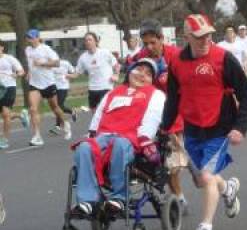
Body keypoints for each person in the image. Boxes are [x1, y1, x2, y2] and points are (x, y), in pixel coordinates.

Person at [162, 14, 247, 230]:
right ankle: (228, 189)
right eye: (200, 36)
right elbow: (173, 98)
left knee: (204, 176)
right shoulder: (176, 63)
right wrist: (164, 127)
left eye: (209, 35)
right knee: (204, 179)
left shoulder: (223, 58)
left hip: (221, 127)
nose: (206, 40)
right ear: (187, 37)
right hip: (192, 127)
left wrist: (239, 128)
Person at [71, 58, 165, 217]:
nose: (142, 75)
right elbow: (99, 115)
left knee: (120, 145)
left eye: (148, 74)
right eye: (139, 70)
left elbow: (152, 117)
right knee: (84, 148)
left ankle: (119, 197)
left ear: (152, 80)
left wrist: (144, 137)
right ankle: (88, 201)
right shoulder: (113, 92)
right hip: (105, 135)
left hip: (130, 137)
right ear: (130, 71)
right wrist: (92, 133)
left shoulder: (155, 94)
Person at [127, 19, 189, 212]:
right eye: (145, 43)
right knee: (166, 162)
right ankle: (178, 197)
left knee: (181, 166)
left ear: (162, 38)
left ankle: (196, 180)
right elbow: (129, 86)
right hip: (150, 116)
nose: (149, 47)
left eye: (153, 42)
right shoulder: (139, 59)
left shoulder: (177, 56)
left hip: (176, 114)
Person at [25, 29, 71, 146]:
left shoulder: (46, 49)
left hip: (48, 83)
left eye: (31, 37)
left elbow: (57, 63)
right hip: (35, 84)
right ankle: (37, 136)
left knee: (55, 108)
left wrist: (42, 64)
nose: (29, 39)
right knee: (33, 109)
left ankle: (65, 123)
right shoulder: (28, 50)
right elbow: (31, 65)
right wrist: (29, 72)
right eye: (28, 37)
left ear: (37, 38)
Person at [72, 32, 120, 112]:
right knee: (94, 110)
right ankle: (99, 124)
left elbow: (116, 65)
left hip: (106, 86)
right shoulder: (83, 58)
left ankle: (108, 123)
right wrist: (65, 76)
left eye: (90, 40)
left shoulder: (105, 52)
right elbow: (76, 74)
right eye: (86, 40)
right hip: (93, 88)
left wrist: (116, 75)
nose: (88, 42)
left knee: (104, 109)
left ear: (96, 42)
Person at [0, 40, 29, 149]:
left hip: (9, 88)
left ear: (2, 47)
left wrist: (15, 74)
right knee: (4, 115)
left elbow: (22, 71)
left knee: (6, 114)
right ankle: (21, 115)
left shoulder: (9, 59)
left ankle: (5, 140)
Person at [50, 59, 77, 135]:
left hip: (63, 87)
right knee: (56, 106)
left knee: (59, 106)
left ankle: (58, 126)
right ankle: (71, 111)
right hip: (54, 87)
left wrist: (69, 76)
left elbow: (74, 72)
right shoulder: (50, 64)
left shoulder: (65, 63)